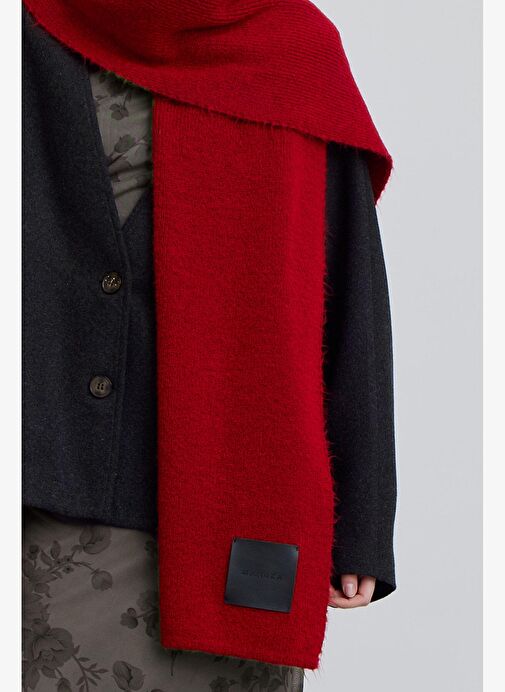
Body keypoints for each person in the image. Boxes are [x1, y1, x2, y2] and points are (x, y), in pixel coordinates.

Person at [22, 2, 397, 689]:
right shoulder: (26, 28)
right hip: (36, 502)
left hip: (235, 517)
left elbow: (348, 280)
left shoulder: (297, 51)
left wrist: (361, 520)